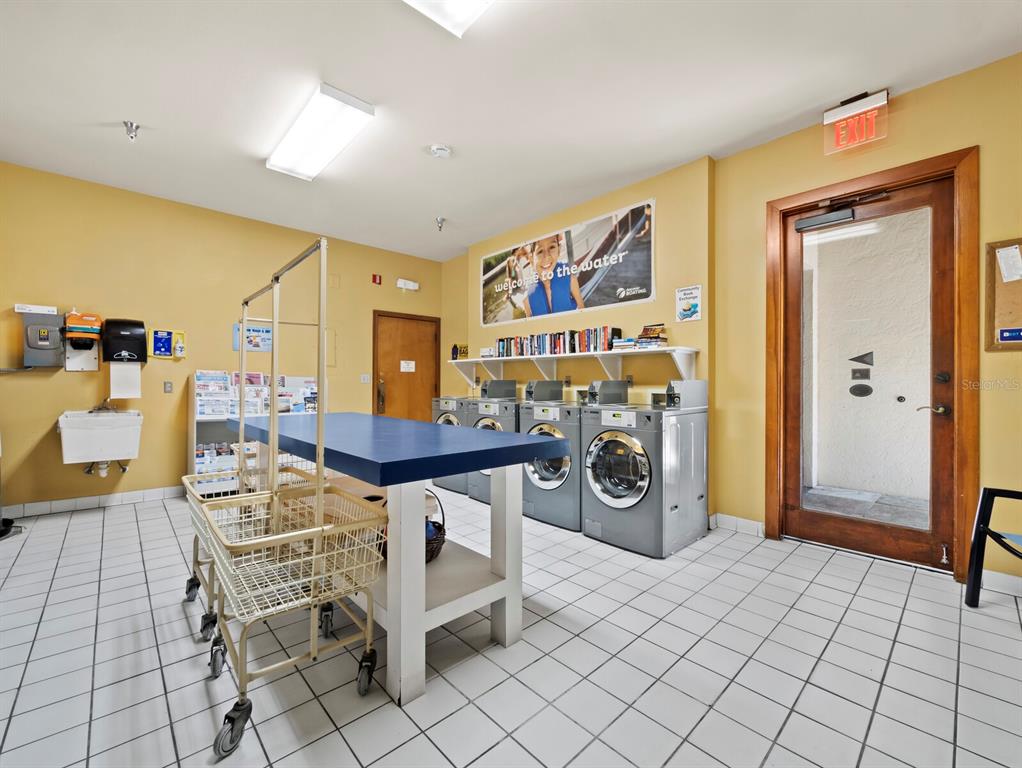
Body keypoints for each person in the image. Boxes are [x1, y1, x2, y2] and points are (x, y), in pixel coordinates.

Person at [523, 233, 585, 317]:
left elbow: (582, 310)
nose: (547, 256)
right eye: (540, 251)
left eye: (552, 247)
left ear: (559, 250)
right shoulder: (527, 299)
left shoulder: (570, 278)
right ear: (531, 260)